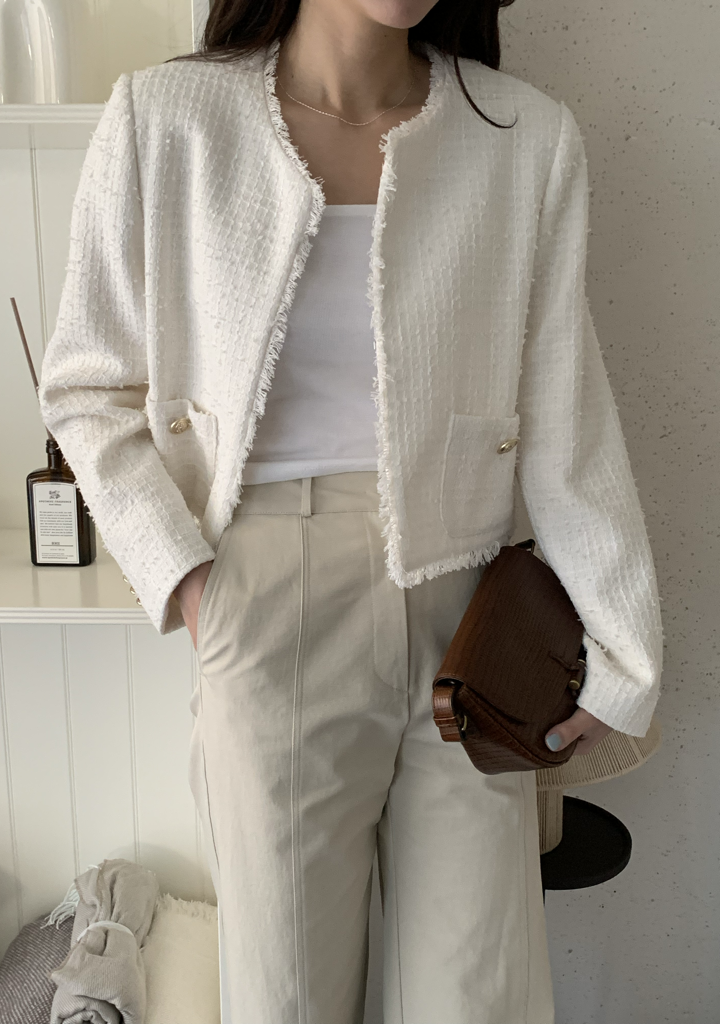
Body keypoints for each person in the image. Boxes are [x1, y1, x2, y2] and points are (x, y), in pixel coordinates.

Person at [38, 1, 663, 1021]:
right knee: (286, 997)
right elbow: (86, 387)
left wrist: (622, 649)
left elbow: (565, 413)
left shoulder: (523, 135)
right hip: (266, 599)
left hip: (470, 621)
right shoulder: (169, 117)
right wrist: (194, 584)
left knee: (477, 999)